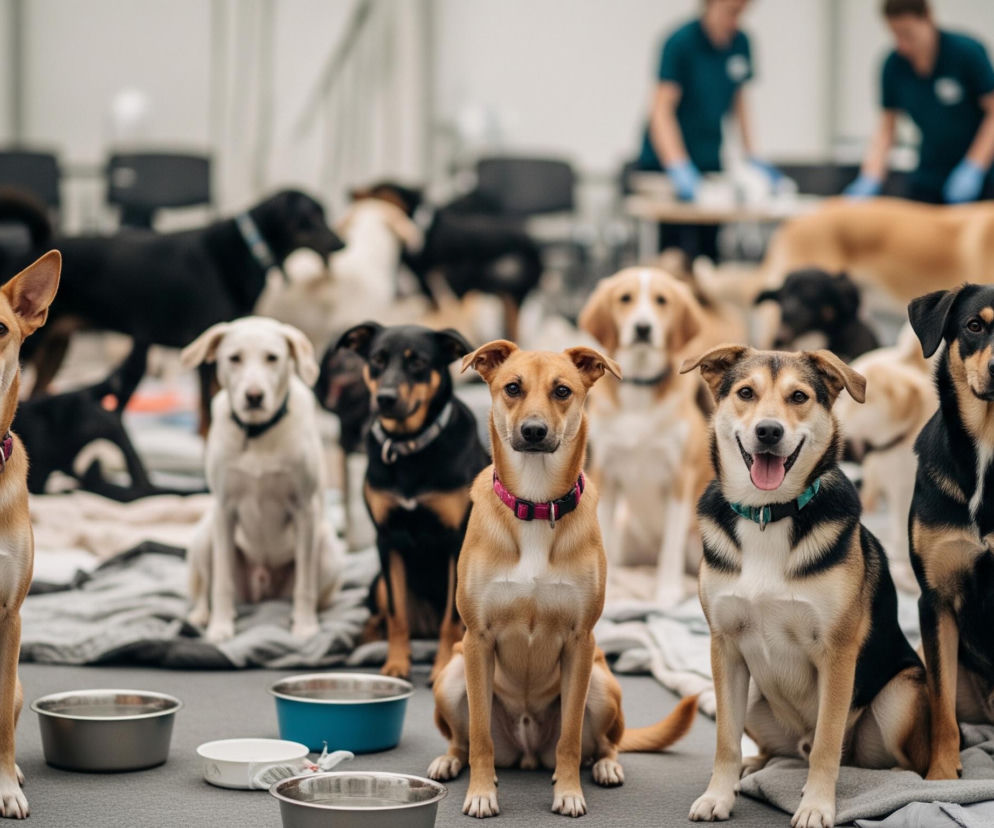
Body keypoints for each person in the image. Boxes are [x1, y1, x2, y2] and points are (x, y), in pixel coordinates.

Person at [637, 0, 780, 260]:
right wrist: (678, 166)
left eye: (741, 13)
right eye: (730, 12)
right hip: (667, 164)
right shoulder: (679, 43)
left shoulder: (741, 43)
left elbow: (740, 104)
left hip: (708, 159)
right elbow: (661, 112)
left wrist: (752, 156)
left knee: (709, 251)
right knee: (675, 252)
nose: (735, 21)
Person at [847, 0, 994, 204]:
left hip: (980, 177)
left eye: (908, 34)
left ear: (928, 18)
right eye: (896, 35)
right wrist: (870, 178)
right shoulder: (894, 66)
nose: (902, 44)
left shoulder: (966, 53)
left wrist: (974, 167)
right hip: (929, 175)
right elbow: (887, 129)